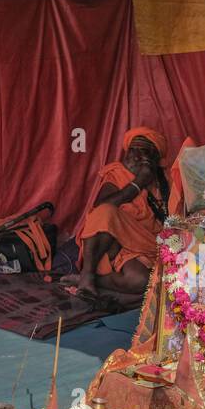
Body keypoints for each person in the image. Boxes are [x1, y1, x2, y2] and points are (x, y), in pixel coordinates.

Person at [67, 127, 169, 305]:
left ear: (155, 158)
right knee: (105, 212)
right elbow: (102, 206)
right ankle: (87, 275)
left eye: (143, 151)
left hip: (150, 244)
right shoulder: (117, 173)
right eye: (132, 150)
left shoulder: (167, 180)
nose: (136, 156)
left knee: (141, 282)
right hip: (116, 244)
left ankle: (90, 280)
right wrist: (138, 183)